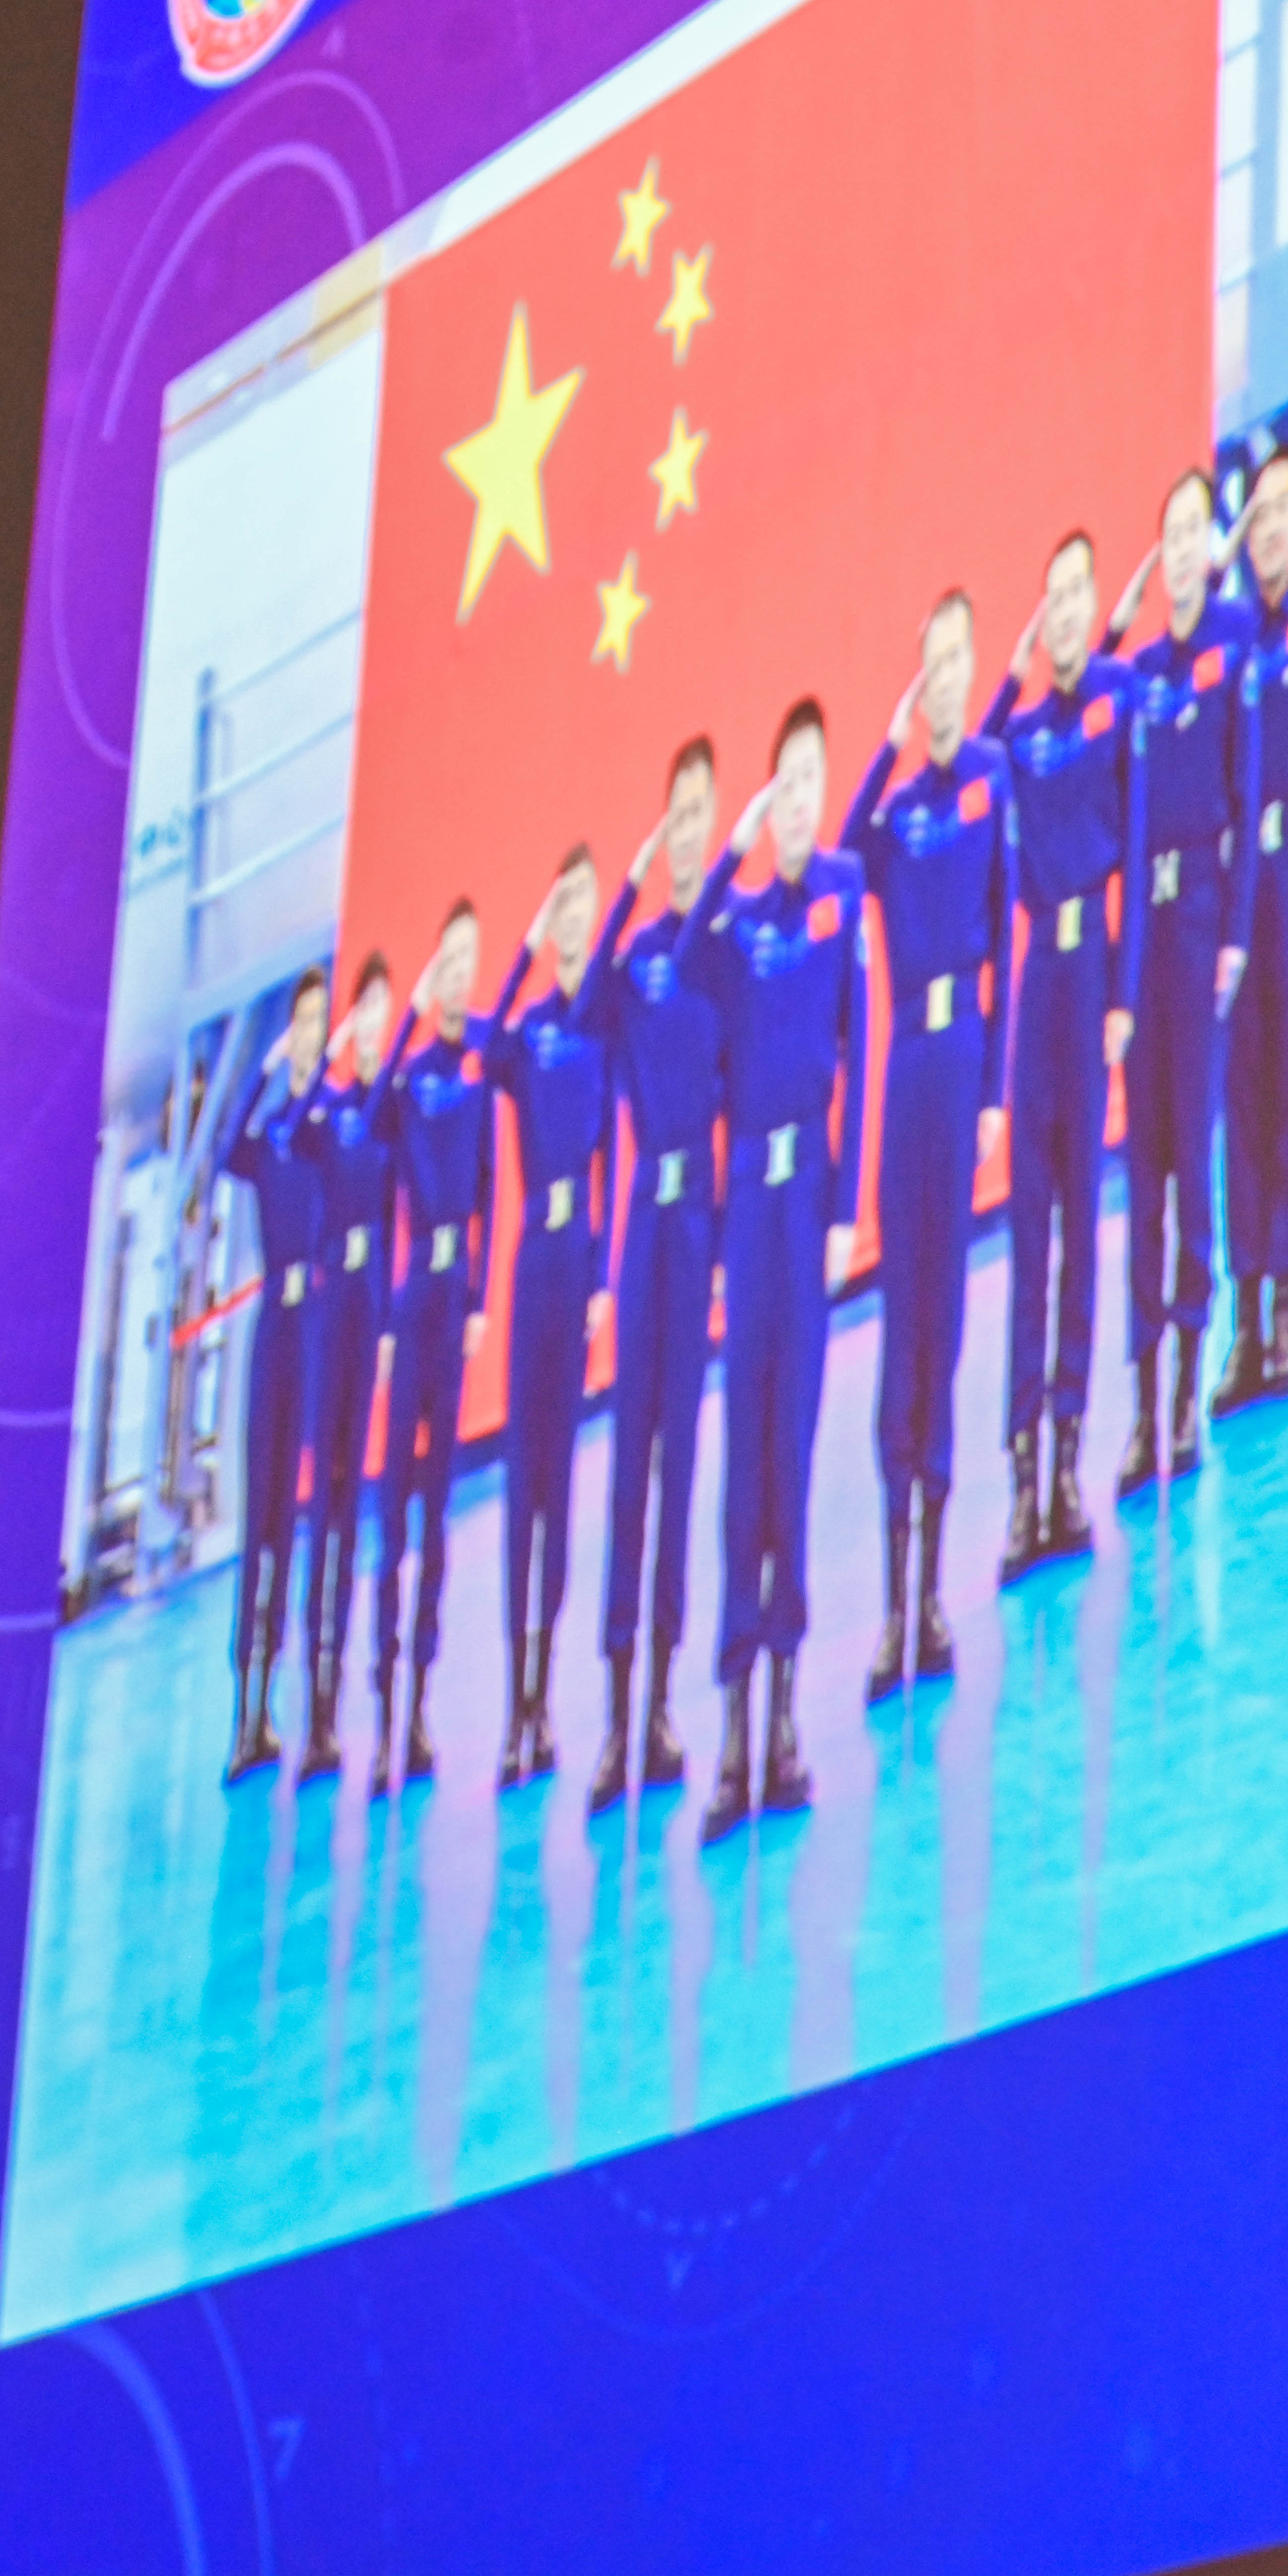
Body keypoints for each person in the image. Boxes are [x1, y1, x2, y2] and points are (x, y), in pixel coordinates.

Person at [687, 703, 865, 1838]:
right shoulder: (739, 925)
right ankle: (732, 1734)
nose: (799, 802)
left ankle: (788, 1721)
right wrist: (734, 845)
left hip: (808, 1208)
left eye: (811, 781)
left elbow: (863, 1038)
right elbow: (688, 949)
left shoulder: (844, 894)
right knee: (741, 1472)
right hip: (747, 1210)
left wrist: (845, 1214)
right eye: (783, 784)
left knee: (791, 1458)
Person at [841, 591, 1011, 1690]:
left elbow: (1006, 930)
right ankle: (891, 1598)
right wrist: (887, 742)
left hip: (962, 1064)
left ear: (973, 669)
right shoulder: (897, 812)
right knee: (901, 1321)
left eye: (957, 661)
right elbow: (845, 844)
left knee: (943, 1325)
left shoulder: (992, 778)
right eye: (930, 664)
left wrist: (994, 1089)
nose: (945, 680)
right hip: (905, 1073)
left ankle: (934, 1596)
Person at [979, 532, 1137, 1573]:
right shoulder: (1024, 736)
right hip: (1038, 987)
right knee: (1030, 1238)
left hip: (1093, 980)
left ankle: (1070, 1463)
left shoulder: (1114, 704)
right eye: (1054, 599)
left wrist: (1123, 996)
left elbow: (1134, 826)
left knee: (1082, 1228)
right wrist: (1009, 671)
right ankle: (1022, 1471)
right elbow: (981, 739)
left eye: (1080, 593)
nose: (1068, 611)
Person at [581, 742, 724, 1807]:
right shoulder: (634, 959)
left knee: (680, 1473)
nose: (686, 831)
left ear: (715, 826)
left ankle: (665, 1705)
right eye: (674, 814)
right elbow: (583, 1011)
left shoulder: (724, 943)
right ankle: (614, 1712)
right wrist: (628, 886)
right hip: (642, 1225)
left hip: (700, 1222)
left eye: (700, 814)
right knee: (630, 1468)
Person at [1110, 468, 1250, 1487]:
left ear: (1213, 547)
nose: (1183, 550)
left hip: (1203, 917)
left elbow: (1245, 791)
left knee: (1193, 1165)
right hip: (1144, 935)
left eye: (1197, 530)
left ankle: (1189, 1387)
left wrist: (1235, 933)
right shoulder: (1141, 678)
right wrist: (1118, 621)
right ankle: (1142, 1401)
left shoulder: (1228, 654)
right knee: (1146, 1169)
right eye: (1170, 535)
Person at [480, 849, 610, 1786]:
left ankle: (546, 1687)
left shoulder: (600, 1019)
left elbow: (612, 1155)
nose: (573, 918)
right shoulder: (527, 1033)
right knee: (523, 1476)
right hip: (532, 1259)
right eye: (563, 905)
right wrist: (525, 949)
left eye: (583, 904)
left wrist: (602, 1276)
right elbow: (485, 1051)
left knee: (560, 1479)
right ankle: (512, 1706)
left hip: (578, 1258)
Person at [370, 900, 498, 1795]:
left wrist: (482, 1299)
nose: (459, 976)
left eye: (468, 962)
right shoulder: (411, 1079)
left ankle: (420, 1699)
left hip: (457, 1299)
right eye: (447, 961)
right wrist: (388, 1320)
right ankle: (383, 1705)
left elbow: (488, 1185)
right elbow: (376, 1123)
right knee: (394, 1517)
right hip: (414, 1296)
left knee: (440, 1511)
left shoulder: (478, 1072)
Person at [1216, 441, 1288, 1411]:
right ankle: (1243, 1313)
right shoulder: (1226, 634)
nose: (1269, 531)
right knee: (1240, 1092)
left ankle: (1287, 1303)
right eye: (1255, 517)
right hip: (1232, 877)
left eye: (1282, 512)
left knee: (1287, 1081)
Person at [209, 965, 330, 1781]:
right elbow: (228, 1153)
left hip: (316, 1320)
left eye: (321, 1020)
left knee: (291, 1517)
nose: (312, 1032)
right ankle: (243, 1711)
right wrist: (263, 1069)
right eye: (303, 1021)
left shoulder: (324, 1125)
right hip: (273, 1332)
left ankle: (280, 1703)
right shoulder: (273, 1135)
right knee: (258, 1518)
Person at [294, 950, 396, 1783]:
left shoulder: (385, 1107)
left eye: (384, 1011)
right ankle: (313, 1703)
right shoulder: (327, 1111)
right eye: (366, 1010)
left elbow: (396, 1216)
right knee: (321, 1504)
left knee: (350, 1505)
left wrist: (391, 1321)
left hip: (370, 1309)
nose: (374, 1024)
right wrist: (325, 1056)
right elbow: (293, 1133)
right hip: (329, 1307)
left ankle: (337, 1702)